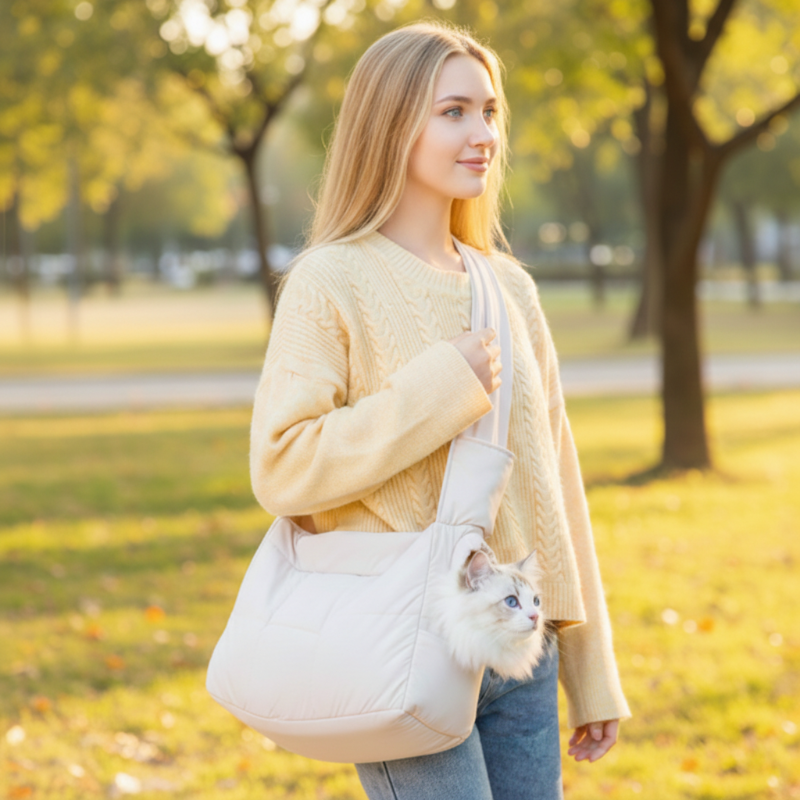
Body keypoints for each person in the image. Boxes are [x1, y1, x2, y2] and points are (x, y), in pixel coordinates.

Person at [249, 20, 631, 800]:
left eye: (489, 112)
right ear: (391, 125)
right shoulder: (330, 282)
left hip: (521, 656)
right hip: (402, 642)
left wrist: (591, 672)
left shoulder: (511, 290)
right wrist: (433, 391)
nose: (482, 133)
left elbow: (554, 492)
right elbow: (282, 466)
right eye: (453, 111)